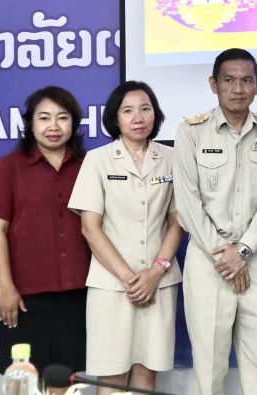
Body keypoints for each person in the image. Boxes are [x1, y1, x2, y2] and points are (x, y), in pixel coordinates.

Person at [173, 48, 257, 395]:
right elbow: (188, 204)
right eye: (229, 80)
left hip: (256, 260)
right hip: (209, 260)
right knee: (209, 366)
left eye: (246, 81)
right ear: (214, 84)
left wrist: (244, 251)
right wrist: (226, 256)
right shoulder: (191, 132)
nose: (238, 89)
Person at [68, 81, 183, 393]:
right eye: (128, 111)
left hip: (159, 282)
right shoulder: (98, 159)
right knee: (111, 373)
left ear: (155, 114)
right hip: (111, 285)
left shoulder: (172, 157)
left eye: (145, 109)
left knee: (147, 371)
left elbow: (178, 221)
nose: (138, 117)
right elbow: (90, 228)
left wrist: (155, 273)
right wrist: (130, 279)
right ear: (115, 118)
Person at [0, 86, 91, 378]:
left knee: (66, 379)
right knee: (23, 379)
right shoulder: (8, 168)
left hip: (78, 293)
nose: (53, 126)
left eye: (62, 117)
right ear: (30, 124)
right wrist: (5, 286)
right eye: (44, 118)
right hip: (23, 295)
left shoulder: (89, 166)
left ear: (74, 123)